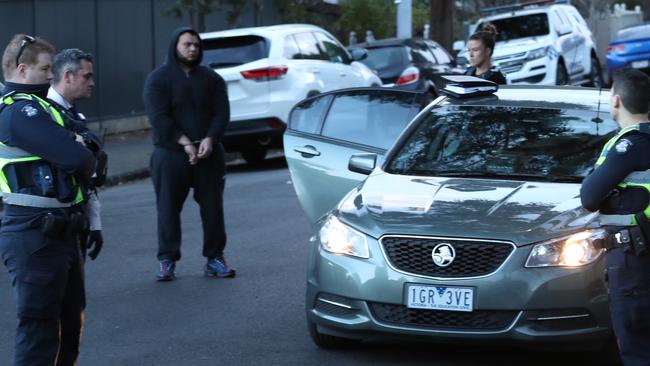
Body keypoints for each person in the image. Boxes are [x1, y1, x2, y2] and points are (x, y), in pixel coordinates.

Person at [0, 34, 96, 365]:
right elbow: (79, 159)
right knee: (40, 332)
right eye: (45, 69)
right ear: (22, 69)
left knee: (70, 328)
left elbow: (91, 147)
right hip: (34, 233)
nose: (50, 76)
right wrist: (80, 149)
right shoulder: (19, 111)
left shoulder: (44, 108)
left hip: (61, 229)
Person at [143, 27, 234, 281]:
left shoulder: (212, 79)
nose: (192, 48)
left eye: (195, 44)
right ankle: (167, 260)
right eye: (186, 44)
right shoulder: (158, 79)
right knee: (168, 209)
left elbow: (221, 114)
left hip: (209, 154)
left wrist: (209, 139)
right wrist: (184, 143)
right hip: (170, 155)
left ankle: (215, 258)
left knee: (213, 208)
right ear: (175, 46)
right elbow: (158, 116)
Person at [580, 68, 650, 365]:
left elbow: (589, 196)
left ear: (616, 101)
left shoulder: (628, 145)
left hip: (634, 259)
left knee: (636, 348)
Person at [48, 48, 104, 261]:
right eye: (87, 76)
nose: (92, 83)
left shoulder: (72, 114)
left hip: (75, 221)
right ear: (68, 76)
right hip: (53, 227)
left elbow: (86, 179)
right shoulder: (43, 117)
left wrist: (95, 223)